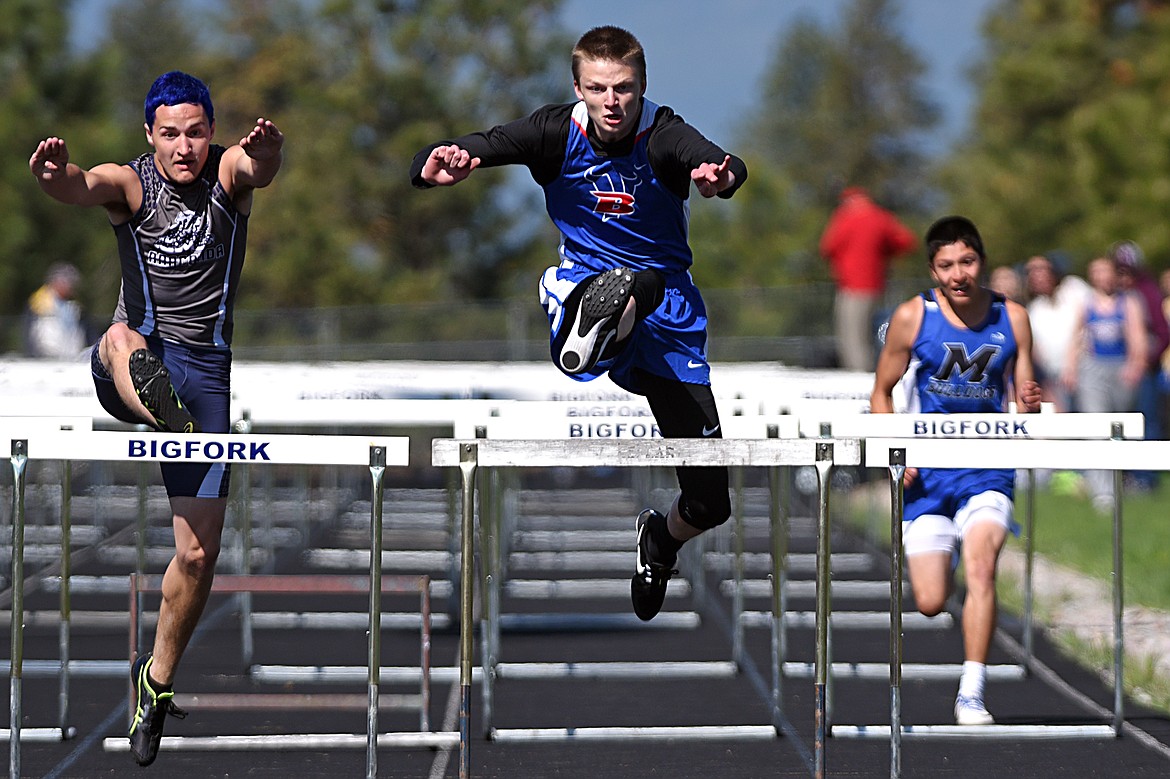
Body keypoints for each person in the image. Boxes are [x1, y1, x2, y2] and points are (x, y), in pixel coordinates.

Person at [410, 26, 747, 622]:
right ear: (578, 88)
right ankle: (588, 324)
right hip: (586, 284)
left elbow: (715, 159)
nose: (612, 102)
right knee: (624, 286)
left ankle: (660, 542)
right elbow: (479, 145)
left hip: (669, 318)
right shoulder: (552, 132)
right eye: (598, 89)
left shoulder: (662, 134)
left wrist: (720, 177)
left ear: (642, 87)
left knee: (710, 502)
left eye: (624, 89)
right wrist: (439, 162)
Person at [29, 70, 283, 766]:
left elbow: (254, 165)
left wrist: (265, 150)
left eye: (196, 132)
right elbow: (82, 184)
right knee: (119, 340)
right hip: (134, 359)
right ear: (150, 135)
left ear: (211, 130)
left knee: (198, 556)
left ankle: (157, 681)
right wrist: (54, 174)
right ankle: (158, 406)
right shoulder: (133, 183)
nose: (184, 146)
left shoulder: (227, 174)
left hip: (206, 377)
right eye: (170, 133)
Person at [871, 215, 1041, 726]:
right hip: (928, 473)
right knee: (927, 601)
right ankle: (946, 587)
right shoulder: (911, 317)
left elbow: (1025, 396)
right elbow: (881, 392)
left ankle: (972, 691)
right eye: (946, 265)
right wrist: (895, 452)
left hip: (987, 467)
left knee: (983, 564)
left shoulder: (1013, 317)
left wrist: (1029, 400)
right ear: (932, 270)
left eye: (967, 261)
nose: (958, 274)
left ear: (981, 262)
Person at [1061, 256, 1146, 513]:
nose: (1102, 277)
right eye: (1096, 271)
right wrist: (1071, 368)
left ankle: (1122, 480)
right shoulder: (1086, 304)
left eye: (1106, 271)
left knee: (1118, 431)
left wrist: (1136, 364)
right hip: (1093, 370)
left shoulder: (1128, 302)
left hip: (1120, 369)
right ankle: (1102, 492)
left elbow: (1137, 337)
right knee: (1096, 428)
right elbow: (1076, 338)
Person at [819, 186, 915, 372]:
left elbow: (827, 247)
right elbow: (906, 241)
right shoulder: (881, 217)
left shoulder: (846, 217)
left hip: (851, 286)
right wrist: (885, 253)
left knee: (852, 336)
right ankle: (873, 374)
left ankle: (859, 380)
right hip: (877, 285)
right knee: (870, 335)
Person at [1110, 240, 1169, 492]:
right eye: (1119, 271)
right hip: (1121, 368)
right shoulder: (1118, 295)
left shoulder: (1147, 293)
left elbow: (1163, 333)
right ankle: (1128, 474)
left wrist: (1147, 358)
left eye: (1127, 271)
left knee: (1146, 421)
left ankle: (1145, 477)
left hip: (1145, 370)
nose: (1123, 277)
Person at [1023, 254, 1089, 413]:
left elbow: (1084, 325)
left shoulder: (1074, 289)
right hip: (1054, 377)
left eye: (1041, 270)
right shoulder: (1034, 308)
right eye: (1031, 272)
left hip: (1085, 370)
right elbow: (1035, 348)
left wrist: (1071, 364)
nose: (1037, 276)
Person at [24, 262, 88, 358]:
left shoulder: (73, 305)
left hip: (71, 357)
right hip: (46, 359)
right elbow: (29, 332)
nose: (71, 287)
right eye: (68, 283)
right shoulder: (39, 302)